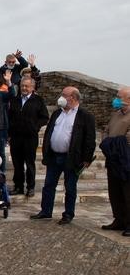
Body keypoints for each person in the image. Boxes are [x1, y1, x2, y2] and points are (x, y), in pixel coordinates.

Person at [31, 87, 96, 225]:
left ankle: (68, 214)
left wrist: (87, 158)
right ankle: (45, 211)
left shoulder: (85, 116)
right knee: (48, 185)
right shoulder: (57, 113)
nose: (60, 97)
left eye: (64, 95)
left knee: (70, 187)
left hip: (72, 157)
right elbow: (49, 132)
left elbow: (90, 138)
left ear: (73, 97)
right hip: (54, 156)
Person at [7, 77, 49, 196]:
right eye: (22, 86)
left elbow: (44, 117)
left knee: (29, 162)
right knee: (17, 163)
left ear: (32, 87)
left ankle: (30, 186)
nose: (24, 88)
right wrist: (10, 132)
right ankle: (18, 186)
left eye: (26, 86)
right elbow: (10, 117)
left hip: (30, 137)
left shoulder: (38, 100)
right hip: (16, 137)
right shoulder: (15, 100)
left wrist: (35, 127)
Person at [99, 86, 130, 236]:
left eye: (119, 97)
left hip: (126, 161)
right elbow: (106, 131)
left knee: (127, 192)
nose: (116, 99)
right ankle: (119, 219)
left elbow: (128, 139)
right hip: (113, 160)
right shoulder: (116, 114)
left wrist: (111, 143)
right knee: (115, 191)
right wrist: (106, 143)